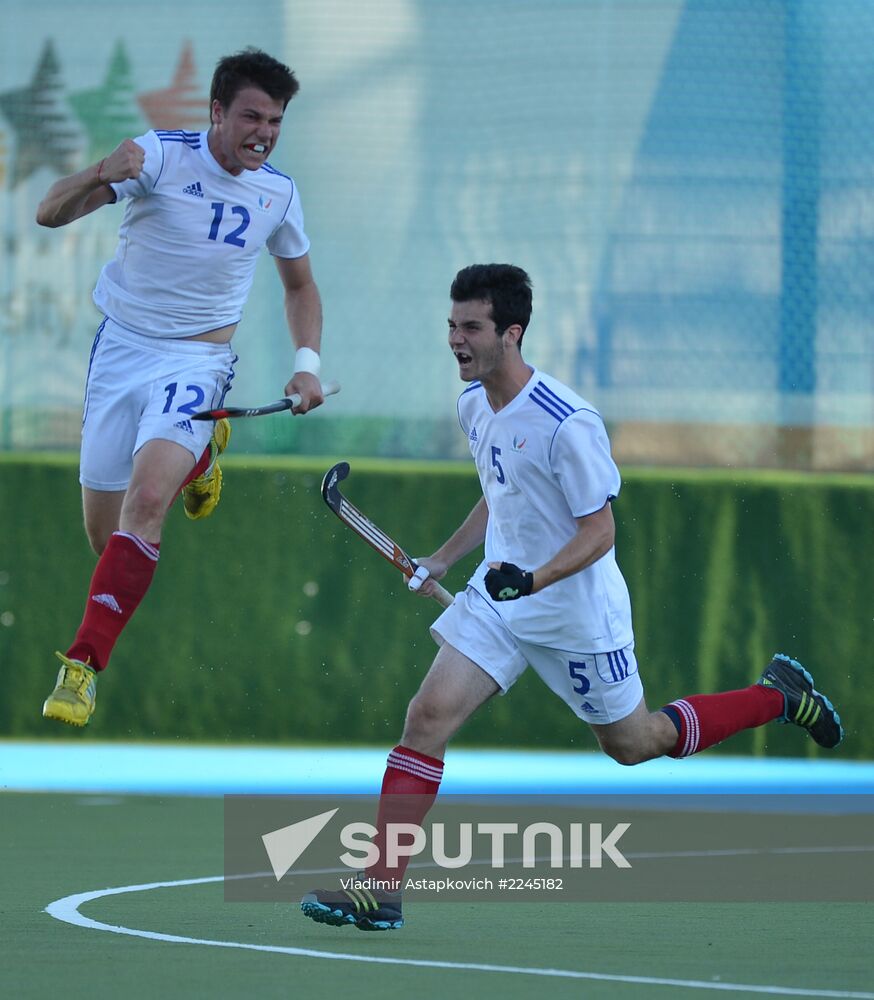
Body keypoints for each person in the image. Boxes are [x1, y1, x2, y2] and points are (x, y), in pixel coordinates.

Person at [300, 262, 843, 932]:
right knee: (427, 717)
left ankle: (778, 695)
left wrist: (533, 581)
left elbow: (600, 530)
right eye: (451, 325)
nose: (455, 340)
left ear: (512, 332)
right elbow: (502, 493)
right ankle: (380, 888)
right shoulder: (474, 402)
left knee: (635, 741)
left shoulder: (567, 422)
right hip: (501, 595)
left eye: (471, 327)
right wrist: (446, 556)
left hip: (575, 610)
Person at [36, 48, 325, 727]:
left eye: (276, 121)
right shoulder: (158, 157)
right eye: (252, 116)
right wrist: (101, 172)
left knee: (147, 502)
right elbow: (49, 213)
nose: (264, 132)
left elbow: (301, 284)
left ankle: (80, 668)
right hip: (121, 353)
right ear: (216, 111)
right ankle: (204, 451)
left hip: (197, 364)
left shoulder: (277, 192)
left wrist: (307, 361)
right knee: (105, 539)